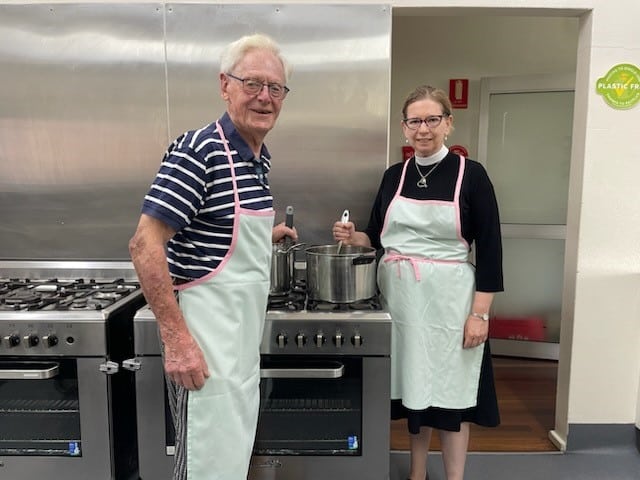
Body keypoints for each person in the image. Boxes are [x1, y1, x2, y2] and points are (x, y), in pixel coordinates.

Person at [129, 33, 297, 480]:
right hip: (203, 342)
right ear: (225, 86)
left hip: (238, 348)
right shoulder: (199, 150)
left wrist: (268, 234)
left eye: (275, 88)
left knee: (230, 458)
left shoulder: (258, 158)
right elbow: (144, 244)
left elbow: (217, 228)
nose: (265, 97)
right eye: (252, 84)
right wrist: (177, 341)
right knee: (204, 461)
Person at [333, 85, 503, 480]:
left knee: (452, 392)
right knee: (415, 387)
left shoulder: (471, 175)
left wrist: (481, 315)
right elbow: (376, 237)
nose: (423, 129)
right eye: (414, 121)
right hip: (401, 301)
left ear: (448, 123)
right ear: (403, 127)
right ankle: (416, 473)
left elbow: (492, 250)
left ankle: (455, 477)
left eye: (432, 120)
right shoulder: (395, 176)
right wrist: (352, 236)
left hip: (450, 303)